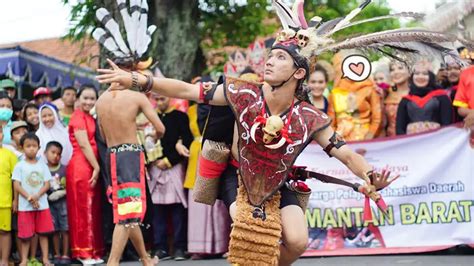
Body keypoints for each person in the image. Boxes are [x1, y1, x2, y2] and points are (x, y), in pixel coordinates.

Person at [95, 76, 165, 266]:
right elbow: (160, 128)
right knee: (127, 214)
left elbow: (101, 134)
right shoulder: (136, 97)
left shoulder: (100, 101)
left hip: (112, 156)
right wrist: (152, 135)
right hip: (130, 156)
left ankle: (145, 258)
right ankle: (113, 262)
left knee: (127, 209)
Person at [147, 94, 192, 261]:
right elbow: (146, 141)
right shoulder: (151, 117)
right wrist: (153, 160)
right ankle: (160, 247)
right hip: (155, 168)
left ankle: (179, 247)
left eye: (162, 99)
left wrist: (169, 160)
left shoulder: (180, 117)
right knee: (157, 210)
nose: (159, 102)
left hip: (174, 167)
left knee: (178, 209)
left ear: (170, 99)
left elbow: (187, 139)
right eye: (157, 100)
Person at [66, 86, 104, 264]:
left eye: (92, 99)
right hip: (81, 167)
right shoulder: (77, 117)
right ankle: (82, 253)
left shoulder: (90, 117)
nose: (89, 102)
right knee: (82, 210)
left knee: (92, 209)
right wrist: (96, 167)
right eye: (85, 98)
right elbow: (83, 145)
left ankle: (93, 251)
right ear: (78, 99)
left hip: (90, 165)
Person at [12, 133, 54, 266]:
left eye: (34, 146)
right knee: (25, 235)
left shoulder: (43, 165)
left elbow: (47, 184)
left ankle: (45, 258)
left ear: (39, 147)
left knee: (43, 233)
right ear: (22, 148)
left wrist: (36, 196)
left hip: (42, 205)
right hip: (25, 206)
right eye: (28, 146)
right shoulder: (19, 166)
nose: (31, 149)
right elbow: (16, 185)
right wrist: (29, 198)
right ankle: (24, 259)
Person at [396, 62, 453, 135]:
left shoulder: (441, 97)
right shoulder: (405, 100)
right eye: (416, 73)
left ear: (431, 76)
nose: (420, 76)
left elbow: (447, 125)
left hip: (437, 141)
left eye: (425, 74)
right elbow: (400, 129)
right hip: (411, 142)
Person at [44, 141, 70, 264]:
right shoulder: (42, 169)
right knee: (53, 229)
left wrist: (62, 192)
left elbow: (70, 187)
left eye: (59, 154)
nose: (56, 156)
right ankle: (56, 253)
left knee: (65, 229)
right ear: (45, 153)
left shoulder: (65, 169)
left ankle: (65, 254)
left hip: (63, 203)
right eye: (52, 152)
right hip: (49, 204)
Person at [0, 123, 18, 266]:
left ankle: (4, 260)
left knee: (5, 232)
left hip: (4, 201)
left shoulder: (10, 155)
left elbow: (16, 180)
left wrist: (15, 200)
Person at [384, 61, 411, 137]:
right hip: (391, 141)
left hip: (413, 139)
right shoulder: (385, 93)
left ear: (409, 72)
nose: (396, 72)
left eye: (400, 68)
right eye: (392, 69)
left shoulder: (417, 93)